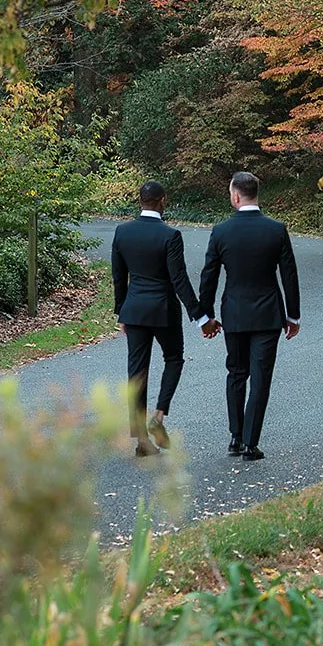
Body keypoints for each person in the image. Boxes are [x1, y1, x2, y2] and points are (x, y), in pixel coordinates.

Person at [197, 171, 300, 461]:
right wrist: (293, 315)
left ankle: (235, 437)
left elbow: (209, 277)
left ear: (235, 196)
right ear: (256, 194)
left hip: (235, 312)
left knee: (236, 372)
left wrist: (206, 316)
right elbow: (289, 274)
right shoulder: (276, 230)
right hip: (268, 314)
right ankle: (250, 444)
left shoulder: (221, 231)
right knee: (261, 377)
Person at [111, 181, 217, 457]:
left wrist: (121, 311)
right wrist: (201, 317)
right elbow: (179, 280)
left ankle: (141, 441)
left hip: (134, 311)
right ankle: (158, 415)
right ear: (162, 201)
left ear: (140, 200)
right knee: (173, 358)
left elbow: (119, 278)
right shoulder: (170, 236)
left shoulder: (122, 232)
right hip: (163, 311)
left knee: (136, 373)